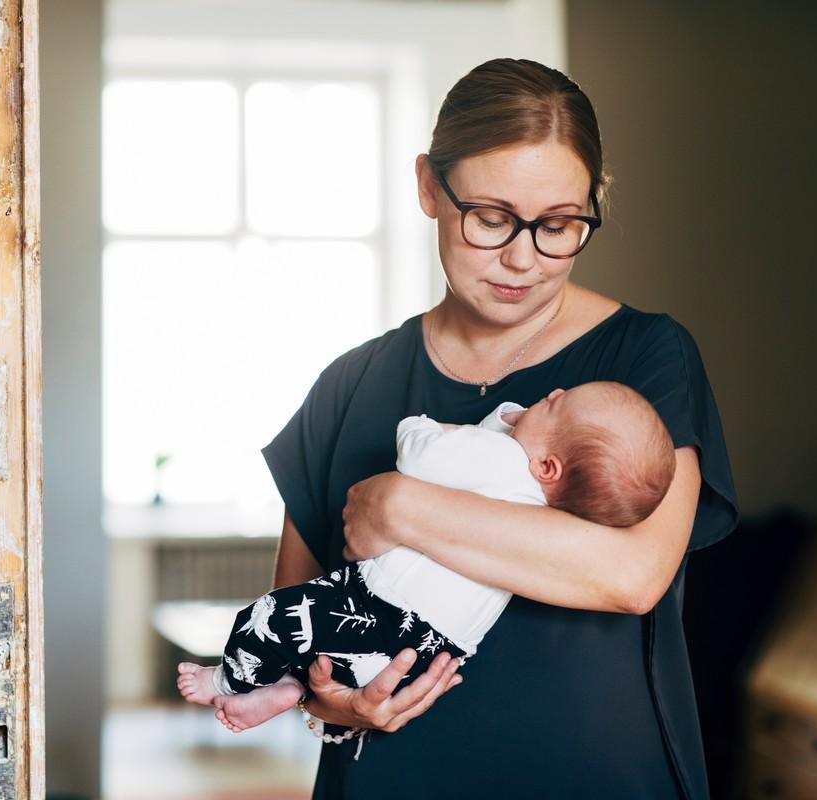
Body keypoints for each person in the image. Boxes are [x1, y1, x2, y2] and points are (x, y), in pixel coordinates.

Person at [256, 58, 737, 799]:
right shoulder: (350, 385)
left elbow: (632, 574)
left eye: (560, 225)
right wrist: (331, 704)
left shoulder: (647, 356)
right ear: (428, 186)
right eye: (491, 218)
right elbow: (293, 628)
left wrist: (403, 508)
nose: (523, 258)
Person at [175, 381, 676, 736]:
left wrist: (422, 424)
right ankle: (285, 689)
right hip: (433, 655)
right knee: (320, 653)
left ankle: (230, 680)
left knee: (267, 616)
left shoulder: (501, 460)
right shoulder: (546, 514)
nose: (551, 394)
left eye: (554, 405)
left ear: (546, 466)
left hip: (381, 608)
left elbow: (423, 455)